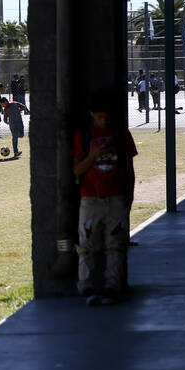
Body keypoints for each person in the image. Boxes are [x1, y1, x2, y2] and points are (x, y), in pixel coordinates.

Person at [72, 91, 137, 304]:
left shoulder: (121, 134)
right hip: (90, 199)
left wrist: (129, 195)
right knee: (86, 246)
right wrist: (93, 156)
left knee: (115, 245)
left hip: (116, 198)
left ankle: (112, 287)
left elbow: (129, 168)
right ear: (92, 115)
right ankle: (87, 289)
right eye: (99, 117)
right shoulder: (84, 136)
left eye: (106, 116)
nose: (103, 120)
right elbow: (76, 170)